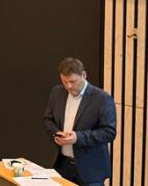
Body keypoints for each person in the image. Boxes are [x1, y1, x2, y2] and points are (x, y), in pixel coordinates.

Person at [42, 57, 116, 186]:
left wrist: (78, 137)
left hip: (90, 169)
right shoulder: (57, 92)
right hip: (63, 165)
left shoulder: (102, 98)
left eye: (73, 81)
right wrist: (57, 133)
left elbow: (109, 132)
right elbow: (48, 119)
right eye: (64, 82)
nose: (68, 86)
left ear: (84, 75)